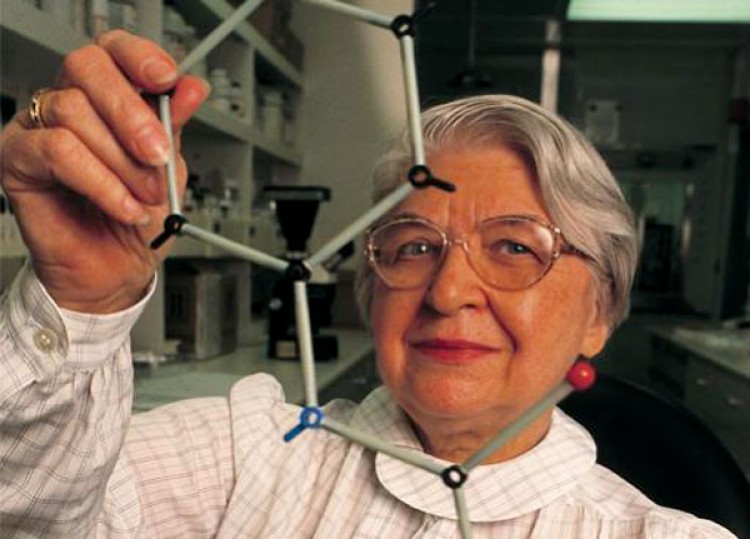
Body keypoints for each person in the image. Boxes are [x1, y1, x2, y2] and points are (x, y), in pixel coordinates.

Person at [0, 31, 736, 538]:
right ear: (372, 287)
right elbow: (30, 517)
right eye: (414, 246)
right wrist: (80, 304)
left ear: (600, 311)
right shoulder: (246, 453)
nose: (448, 291)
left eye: (516, 246)